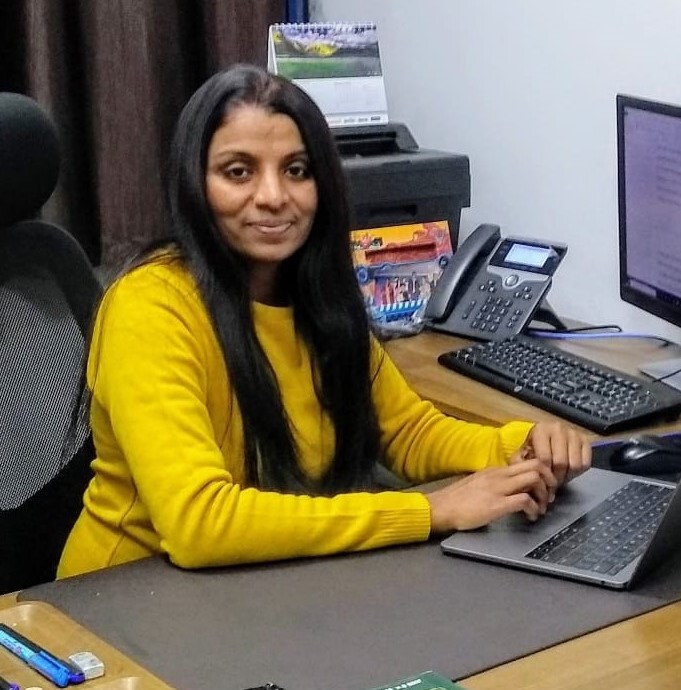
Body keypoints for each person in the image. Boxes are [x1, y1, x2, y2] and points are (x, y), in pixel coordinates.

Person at [57, 64, 591, 578]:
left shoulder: (315, 294)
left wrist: (519, 447)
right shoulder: (150, 306)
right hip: (122, 601)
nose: (273, 197)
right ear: (195, 184)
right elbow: (200, 523)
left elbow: (406, 431)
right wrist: (432, 511)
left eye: (297, 170)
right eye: (238, 172)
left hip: (255, 582)